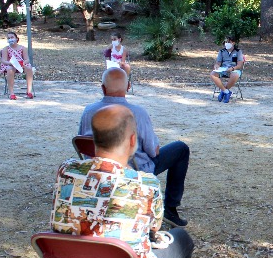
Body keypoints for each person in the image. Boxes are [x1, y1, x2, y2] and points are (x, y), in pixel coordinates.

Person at [52, 104, 194, 258]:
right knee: (183, 239)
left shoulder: (66, 172)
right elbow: (154, 230)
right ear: (132, 141)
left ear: (92, 140)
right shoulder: (145, 184)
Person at [79, 67, 190, 227]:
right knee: (181, 149)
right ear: (128, 87)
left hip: (98, 170)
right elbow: (154, 151)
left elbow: (82, 142)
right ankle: (170, 209)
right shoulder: (137, 113)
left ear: (102, 88)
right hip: (134, 170)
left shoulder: (88, 111)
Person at [210, 36, 245, 103]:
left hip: (234, 69)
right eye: (226, 42)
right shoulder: (222, 51)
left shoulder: (238, 52)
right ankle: (226, 91)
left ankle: (223, 92)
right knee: (213, 74)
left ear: (233, 43)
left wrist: (232, 68)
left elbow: (239, 65)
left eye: (229, 42)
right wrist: (216, 66)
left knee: (234, 75)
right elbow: (218, 62)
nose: (227, 43)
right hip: (223, 69)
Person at [0, 31, 34, 100]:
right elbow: (3, 60)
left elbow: (27, 59)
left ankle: (29, 91)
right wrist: (11, 63)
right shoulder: (6, 49)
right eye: (8, 38)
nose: (10, 39)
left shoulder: (22, 48)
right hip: (10, 65)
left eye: (12, 37)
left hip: (21, 64)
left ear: (16, 38)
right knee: (10, 69)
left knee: (29, 68)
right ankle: (12, 93)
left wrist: (22, 63)